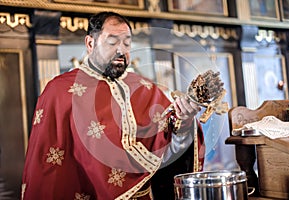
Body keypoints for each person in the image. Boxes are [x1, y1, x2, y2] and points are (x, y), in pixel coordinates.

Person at [21, 11, 205, 200]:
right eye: (112, 42)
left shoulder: (147, 89)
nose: (121, 50)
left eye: (126, 43)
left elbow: (168, 156)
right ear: (90, 44)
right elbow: (45, 169)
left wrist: (183, 124)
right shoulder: (59, 93)